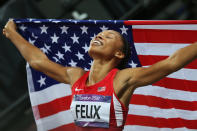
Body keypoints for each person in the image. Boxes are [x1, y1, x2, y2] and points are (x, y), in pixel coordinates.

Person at [3, 20, 197, 131]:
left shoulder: (123, 79)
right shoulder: (76, 75)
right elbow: (39, 62)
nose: (99, 36)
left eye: (108, 36)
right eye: (99, 35)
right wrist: (13, 34)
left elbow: (171, 63)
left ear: (119, 54)